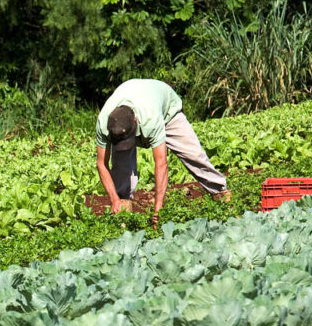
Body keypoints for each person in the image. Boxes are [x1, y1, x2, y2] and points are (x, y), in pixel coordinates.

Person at [95, 79, 230, 226]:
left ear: (135, 121)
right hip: (128, 118)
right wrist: (114, 199)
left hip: (167, 114)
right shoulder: (105, 125)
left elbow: (161, 163)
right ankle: (122, 211)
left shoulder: (150, 118)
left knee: (193, 154)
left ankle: (220, 193)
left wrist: (158, 209)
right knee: (121, 166)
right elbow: (102, 164)